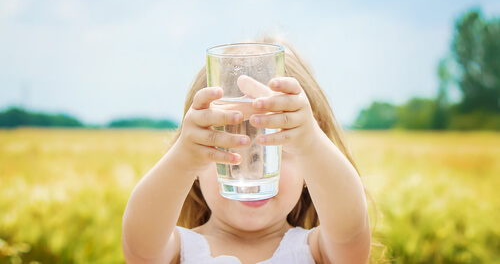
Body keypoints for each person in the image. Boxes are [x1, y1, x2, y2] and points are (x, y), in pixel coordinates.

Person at [122, 37, 371, 264]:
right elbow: (139, 249)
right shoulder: (179, 249)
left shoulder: (318, 251)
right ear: (194, 170)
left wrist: (312, 144)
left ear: (311, 171)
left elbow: (351, 234)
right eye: (227, 145)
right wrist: (180, 161)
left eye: (275, 148)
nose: (253, 170)